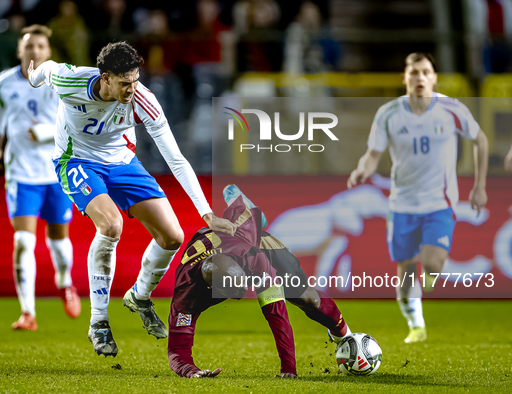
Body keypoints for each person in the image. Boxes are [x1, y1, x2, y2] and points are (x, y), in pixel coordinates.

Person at [27, 41, 235, 356]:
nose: (131, 89)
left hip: (123, 163)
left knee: (172, 237)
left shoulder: (143, 100)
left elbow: (176, 159)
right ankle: (98, 321)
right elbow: (47, 69)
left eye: (135, 80)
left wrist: (206, 213)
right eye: (125, 83)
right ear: (105, 77)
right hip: (77, 161)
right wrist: (33, 76)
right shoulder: (71, 81)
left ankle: (139, 296)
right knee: (111, 226)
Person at [347, 52, 489, 343]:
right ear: (405, 78)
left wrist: (480, 185)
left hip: (440, 203)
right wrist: (363, 170)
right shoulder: (388, 113)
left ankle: (431, 275)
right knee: (406, 268)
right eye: (414, 73)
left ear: (434, 78)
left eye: (425, 72)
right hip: (401, 205)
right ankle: (416, 323)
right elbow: (373, 154)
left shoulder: (452, 109)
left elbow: (481, 140)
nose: (420, 78)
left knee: (432, 262)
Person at [167, 186, 351, 378]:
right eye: (234, 293)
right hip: (225, 244)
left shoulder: (254, 260)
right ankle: (249, 214)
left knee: (306, 298)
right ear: (213, 289)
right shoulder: (186, 294)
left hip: (258, 245)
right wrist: (190, 371)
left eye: (244, 285)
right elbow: (177, 350)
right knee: (241, 228)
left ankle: (345, 335)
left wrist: (289, 368)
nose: (242, 293)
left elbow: (276, 313)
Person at [0, 25, 80, 331]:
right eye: (29, 46)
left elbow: (75, 123)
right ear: (19, 51)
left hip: (56, 173)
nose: (35, 51)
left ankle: (65, 282)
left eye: (40, 46)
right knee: (23, 241)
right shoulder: (3, 83)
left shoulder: (60, 82)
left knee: (58, 241)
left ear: (48, 51)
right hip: (21, 174)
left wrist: (44, 133)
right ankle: (28, 312)